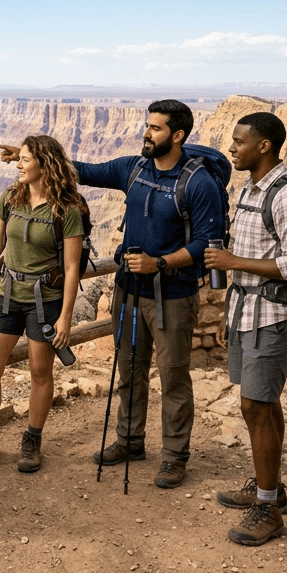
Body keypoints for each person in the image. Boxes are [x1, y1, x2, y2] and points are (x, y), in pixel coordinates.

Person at [66, 99, 222, 489]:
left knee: (173, 377)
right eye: (147, 126)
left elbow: (207, 243)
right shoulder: (134, 168)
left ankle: (174, 457)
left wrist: (161, 263)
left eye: (155, 128)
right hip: (129, 290)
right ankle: (129, 441)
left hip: (174, 295)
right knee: (129, 370)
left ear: (178, 135)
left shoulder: (198, 183)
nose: (146, 133)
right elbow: (84, 171)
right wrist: (36, 155)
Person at [204, 112, 287, 546]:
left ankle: (268, 509)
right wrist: (227, 309)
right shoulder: (251, 190)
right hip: (246, 309)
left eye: (239, 141)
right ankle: (271, 487)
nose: (232, 148)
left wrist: (233, 262)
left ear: (264, 145)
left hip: (276, 314)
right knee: (264, 403)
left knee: (254, 404)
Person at [0, 135, 87, 473]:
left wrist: (65, 318)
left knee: (40, 372)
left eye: (24, 160)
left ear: (44, 165)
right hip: (6, 295)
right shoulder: (11, 198)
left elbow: (71, 268)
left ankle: (32, 440)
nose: (17, 165)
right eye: (19, 159)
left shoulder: (66, 210)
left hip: (45, 302)